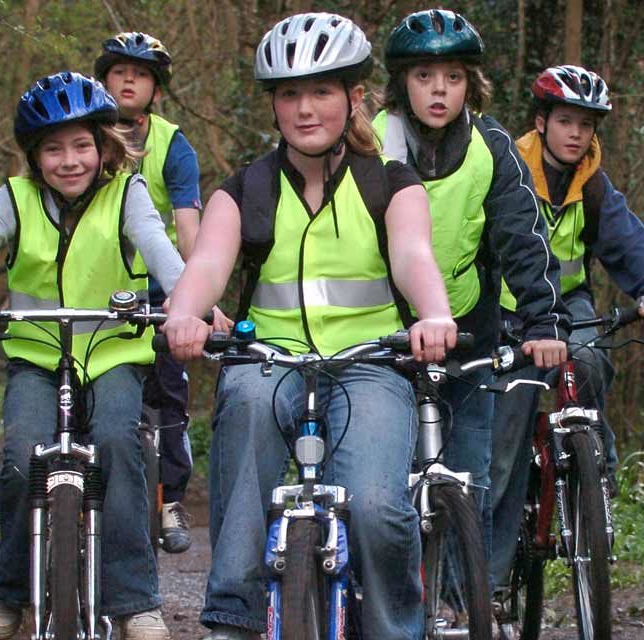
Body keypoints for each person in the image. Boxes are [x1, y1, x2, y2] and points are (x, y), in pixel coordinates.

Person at [164, 13, 458, 640]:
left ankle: (393, 630)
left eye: (321, 91)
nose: (305, 109)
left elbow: (413, 257)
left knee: (379, 508)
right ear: (273, 105)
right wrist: (184, 313)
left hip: (371, 363)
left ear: (354, 97)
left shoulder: (391, 183)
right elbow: (210, 261)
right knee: (244, 452)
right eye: (289, 94)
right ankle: (232, 621)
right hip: (268, 359)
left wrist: (434, 314)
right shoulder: (246, 188)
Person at [0, 71, 184, 640]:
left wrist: (189, 304)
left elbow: (160, 251)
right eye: (53, 149)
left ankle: (135, 600)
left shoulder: (128, 194)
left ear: (103, 146)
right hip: (38, 355)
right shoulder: (14, 198)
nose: (69, 160)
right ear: (34, 156)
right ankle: (11, 586)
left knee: (119, 442)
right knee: (21, 458)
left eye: (81, 145)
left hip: (115, 352)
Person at [372, 8, 570, 559]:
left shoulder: (492, 147)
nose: (440, 90)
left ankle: (468, 606)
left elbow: (522, 234)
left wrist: (543, 319)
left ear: (471, 86)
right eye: (424, 77)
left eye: (454, 78)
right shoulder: (371, 144)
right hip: (383, 332)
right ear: (401, 83)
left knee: (471, 477)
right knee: (383, 484)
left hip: (469, 330)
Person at [489, 65, 644, 596]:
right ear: (541, 122)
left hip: (570, 304)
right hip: (508, 313)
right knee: (502, 443)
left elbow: (628, 243)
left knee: (591, 357)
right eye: (565, 121)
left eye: (585, 124)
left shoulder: (593, 184)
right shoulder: (507, 168)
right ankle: (485, 580)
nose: (576, 133)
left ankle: (594, 461)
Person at [94, 32, 215, 553]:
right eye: (119, 71)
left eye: (140, 74)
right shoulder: (79, 135)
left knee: (168, 394)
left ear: (156, 90)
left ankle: (168, 502)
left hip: (157, 289)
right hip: (94, 287)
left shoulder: (172, 143)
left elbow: (188, 226)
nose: (128, 80)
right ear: (103, 79)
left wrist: (198, 294)